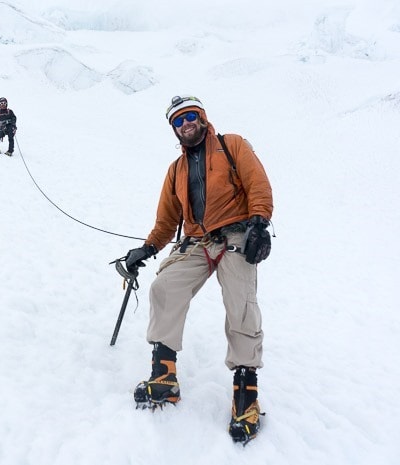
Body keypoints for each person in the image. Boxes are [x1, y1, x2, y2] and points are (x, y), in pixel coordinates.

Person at [123, 95, 273, 444]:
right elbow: (166, 221)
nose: (185, 123)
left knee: (241, 306)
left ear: (202, 118)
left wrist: (260, 223)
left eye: (190, 116)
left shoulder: (231, 145)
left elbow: (257, 184)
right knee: (164, 288)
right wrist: (147, 248)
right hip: (196, 242)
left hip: (237, 234)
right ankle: (164, 378)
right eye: (178, 121)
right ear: (174, 129)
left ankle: (245, 394)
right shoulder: (175, 170)